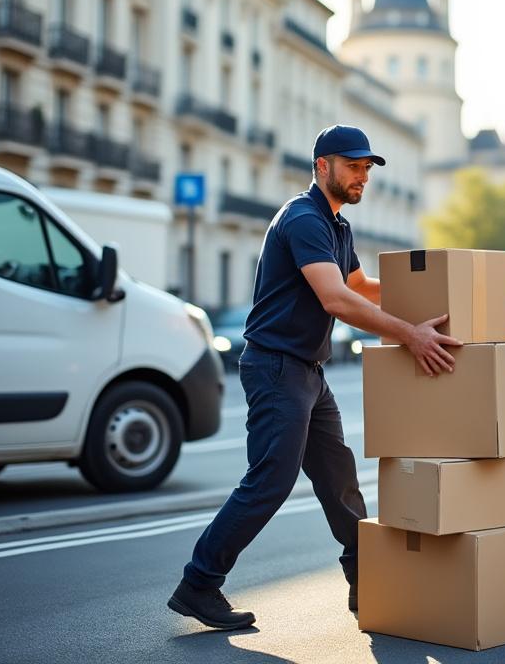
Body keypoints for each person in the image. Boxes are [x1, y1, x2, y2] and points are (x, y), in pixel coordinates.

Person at [168, 125, 460, 630]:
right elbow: (336, 299)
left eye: (367, 169)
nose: (362, 177)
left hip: (307, 370)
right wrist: (410, 335)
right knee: (270, 481)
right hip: (277, 367)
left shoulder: (336, 225)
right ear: (322, 166)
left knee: (338, 479)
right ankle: (199, 584)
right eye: (353, 166)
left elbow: (359, 285)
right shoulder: (303, 218)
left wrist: (447, 295)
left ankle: (367, 581)